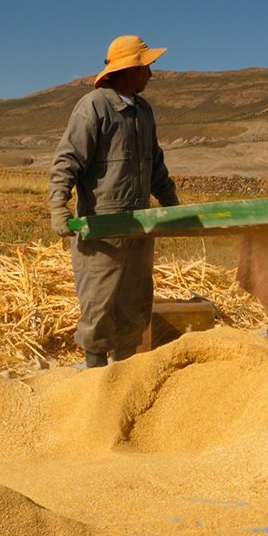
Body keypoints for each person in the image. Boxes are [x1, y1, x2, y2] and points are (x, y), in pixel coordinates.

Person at [49, 35, 180, 367]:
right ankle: (97, 380)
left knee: (134, 308)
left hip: (139, 228)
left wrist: (171, 203)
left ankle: (123, 378)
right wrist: (58, 206)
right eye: (145, 66)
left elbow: (156, 166)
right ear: (129, 69)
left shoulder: (143, 112)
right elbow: (67, 161)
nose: (150, 73)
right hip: (102, 231)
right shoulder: (94, 107)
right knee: (99, 306)